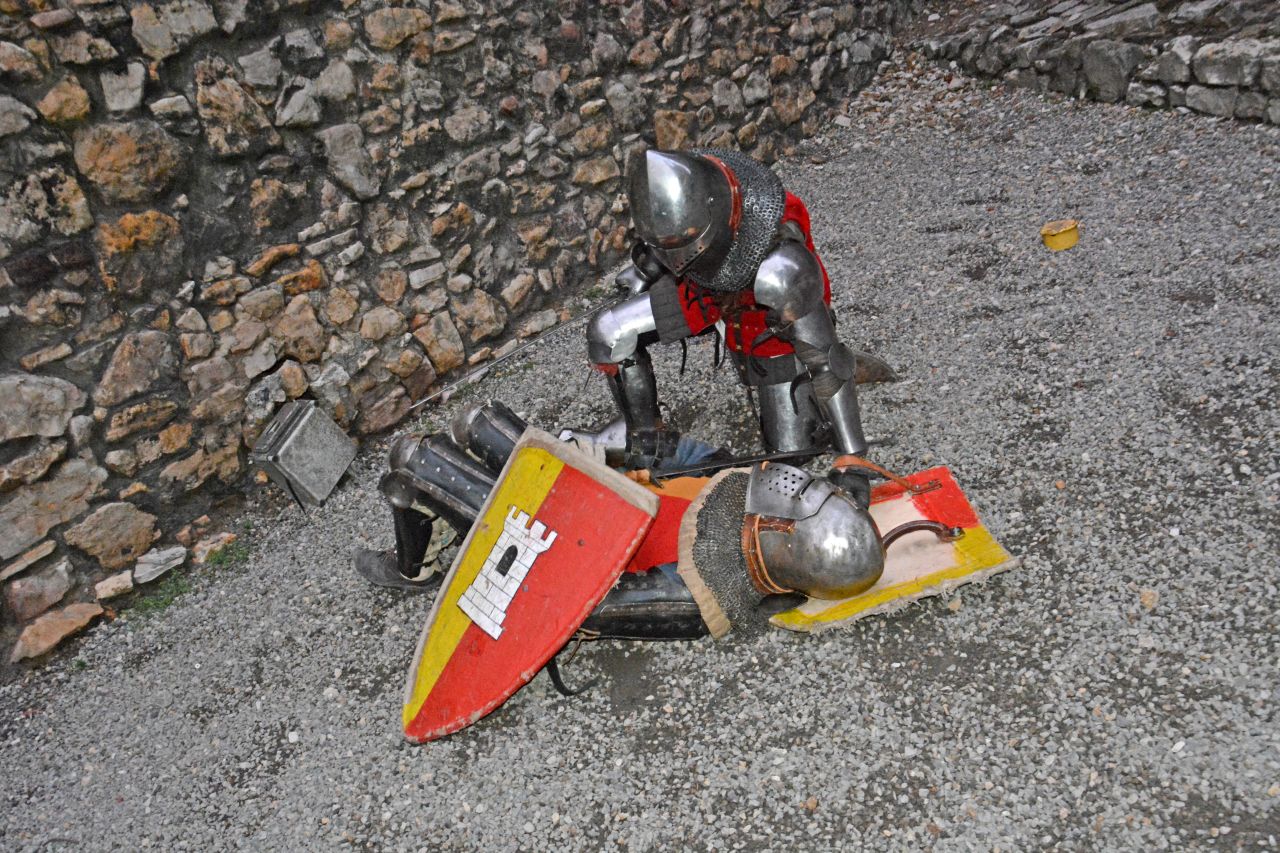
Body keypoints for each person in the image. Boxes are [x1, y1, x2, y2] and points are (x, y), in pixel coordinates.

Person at [355, 401, 896, 640]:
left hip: (558, 539)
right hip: (601, 492)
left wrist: (531, 518)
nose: (794, 480)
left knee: (413, 459)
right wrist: (596, 452)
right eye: (810, 484)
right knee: (474, 422)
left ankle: (415, 566)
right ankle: (439, 523)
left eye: (800, 493)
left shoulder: (705, 591)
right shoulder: (743, 490)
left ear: (783, 537)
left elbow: (583, 603)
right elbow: (670, 452)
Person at [567, 147, 874, 507]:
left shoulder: (784, 270)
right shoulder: (695, 195)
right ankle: (649, 442)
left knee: (790, 458)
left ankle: (752, 455)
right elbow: (667, 239)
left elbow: (827, 361)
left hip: (759, 313)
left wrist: (853, 459)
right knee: (609, 332)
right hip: (700, 288)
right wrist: (648, 268)